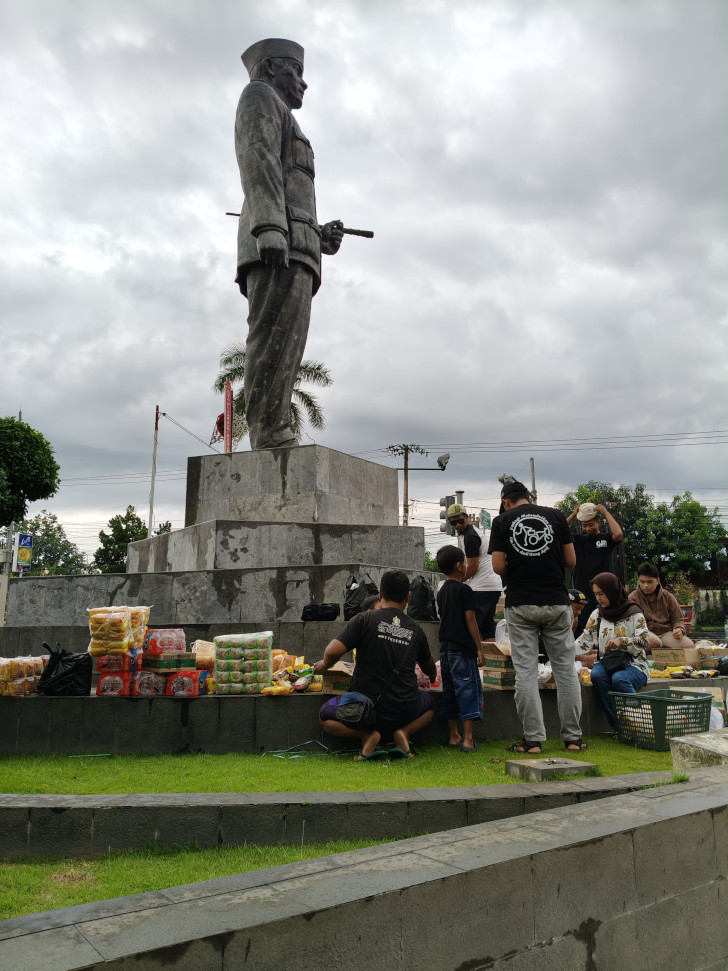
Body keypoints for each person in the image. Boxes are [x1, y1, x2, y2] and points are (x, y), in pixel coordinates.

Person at [235, 39, 345, 449]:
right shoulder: (259, 96)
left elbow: (291, 191)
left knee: (288, 344)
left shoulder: (287, 117)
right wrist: (269, 227)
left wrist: (319, 234)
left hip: (298, 246)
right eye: (295, 71)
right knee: (271, 340)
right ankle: (269, 433)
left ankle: (275, 425)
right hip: (275, 245)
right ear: (268, 69)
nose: (303, 82)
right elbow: (258, 160)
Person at [488, 480, 585, 754]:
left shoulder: (502, 521)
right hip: (557, 601)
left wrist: (518, 562)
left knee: (527, 673)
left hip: (521, 604)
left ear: (506, 501)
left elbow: (497, 566)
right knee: (565, 670)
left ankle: (533, 741)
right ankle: (573, 739)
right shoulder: (555, 516)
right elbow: (571, 561)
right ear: (529, 497)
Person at [314, 570, 436, 760]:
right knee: (430, 705)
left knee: (325, 716)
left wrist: (324, 664)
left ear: (380, 593)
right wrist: (434, 677)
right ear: (408, 597)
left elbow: (332, 651)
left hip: (364, 710)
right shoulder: (416, 630)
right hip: (404, 709)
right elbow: (429, 667)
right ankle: (403, 733)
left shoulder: (364, 620)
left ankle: (367, 735)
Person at [575, 572, 650, 738]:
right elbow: (584, 640)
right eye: (596, 594)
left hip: (634, 664)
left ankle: (640, 722)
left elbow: (644, 641)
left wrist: (622, 641)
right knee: (596, 675)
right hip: (607, 662)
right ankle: (619, 726)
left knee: (619, 679)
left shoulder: (634, 612)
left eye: (602, 593)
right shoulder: (597, 615)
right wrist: (562, 652)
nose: (599, 598)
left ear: (613, 590)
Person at [435, 545, 485, 753]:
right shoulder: (465, 590)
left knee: (450, 691)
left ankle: (453, 735)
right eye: (464, 562)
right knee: (468, 691)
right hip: (463, 649)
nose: (466, 566)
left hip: (445, 649)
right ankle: (468, 739)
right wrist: (480, 648)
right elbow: (470, 620)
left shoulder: (442, 591)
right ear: (458, 566)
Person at [446, 503, 503, 639]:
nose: (458, 525)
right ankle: (491, 658)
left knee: (475, 629)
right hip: (490, 586)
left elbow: (473, 567)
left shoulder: (470, 536)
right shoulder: (471, 533)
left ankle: (477, 657)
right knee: (486, 629)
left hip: (482, 588)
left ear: (467, 517)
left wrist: (457, 581)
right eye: (453, 523)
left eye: (460, 521)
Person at [566, 502, 623, 637]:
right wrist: (574, 514)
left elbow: (618, 533)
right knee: (582, 624)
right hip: (583, 589)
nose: (587, 528)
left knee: (605, 622)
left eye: (591, 524)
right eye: (584, 525)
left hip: (603, 590)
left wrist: (606, 513)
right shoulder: (578, 540)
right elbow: (558, 530)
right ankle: (582, 654)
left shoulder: (605, 539)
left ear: (598, 522)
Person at [628, 562, 695, 653]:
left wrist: (679, 629)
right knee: (655, 642)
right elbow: (629, 623)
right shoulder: (633, 598)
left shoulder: (668, 596)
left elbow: (677, 619)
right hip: (644, 633)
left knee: (689, 646)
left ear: (658, 581)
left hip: (665, 634)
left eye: (649, 582)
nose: (645, 585)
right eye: (642, 582)